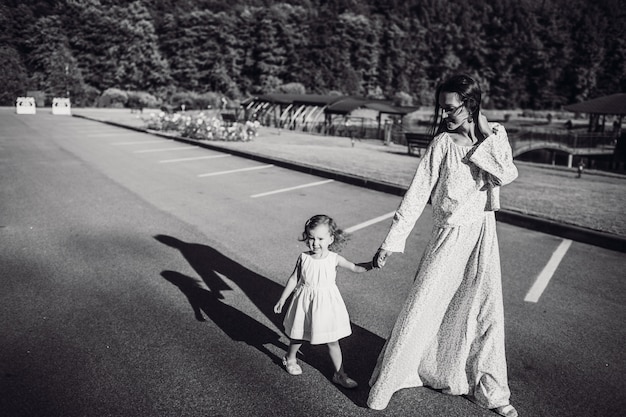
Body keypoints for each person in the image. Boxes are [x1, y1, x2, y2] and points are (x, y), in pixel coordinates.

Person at [367, 74, 519, 417]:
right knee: (424, 304)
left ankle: (492, 391)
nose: (444, 115)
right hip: (448, 236)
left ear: (470, 105)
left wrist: (482, 130)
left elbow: (506, 173)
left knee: (484, 312)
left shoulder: (495, 136)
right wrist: (393, 240)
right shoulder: (442, 144)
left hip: (483, 233)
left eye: (450, 108)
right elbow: (418, 193)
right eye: (442, 108)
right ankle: (390, 380)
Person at [274, 214, 371, 388]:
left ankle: (340, 374)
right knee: (299, 335)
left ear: (330, 239)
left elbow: (355, 267)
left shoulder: (334, 258)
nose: (315, 243)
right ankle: (290, 358)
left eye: (320, 238)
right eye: (311, 238)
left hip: (326, 305)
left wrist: (372, 264)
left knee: (332, 340)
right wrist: (283, 298)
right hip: (305, 303)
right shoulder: (304, 258)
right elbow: (294, 279)